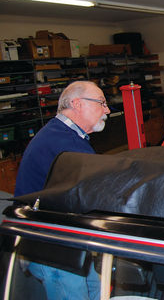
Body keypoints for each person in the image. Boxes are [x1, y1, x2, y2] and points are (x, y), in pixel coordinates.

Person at [15, 80, 110, 300]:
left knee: (95, 290)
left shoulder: (65, 135)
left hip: (66, 239)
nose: (106, 110)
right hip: (51, 244)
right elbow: (96, 190)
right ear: (77, 104)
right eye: (101, 103)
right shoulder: (63, 143)